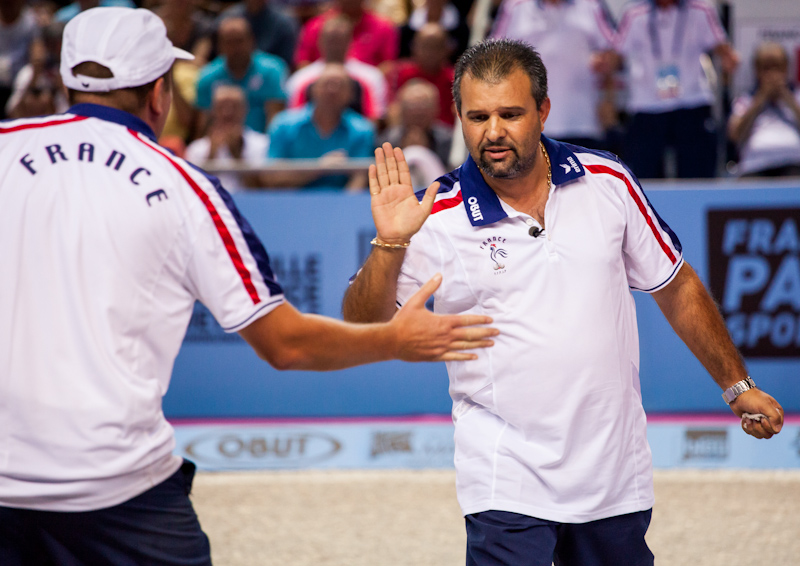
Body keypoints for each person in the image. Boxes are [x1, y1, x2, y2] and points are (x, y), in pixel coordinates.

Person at [0, 8, 496, 565]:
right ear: (160, 92)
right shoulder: (184, 188)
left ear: (68, 80)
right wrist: (393, 341)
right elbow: (285, 344)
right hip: (119, 487)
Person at [342, 39, 784, 565]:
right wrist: (389, 242)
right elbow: (362, 323)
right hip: (503, 477)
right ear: (458, 117)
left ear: (544, 110)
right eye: (477, 116)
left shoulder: (608, 181)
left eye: (510, 113)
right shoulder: (434, 213)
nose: (494, 132)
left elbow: (676, 284)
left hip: (613, 475)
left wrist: (737, 386)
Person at [613, 0, 739, 178]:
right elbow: (616, 54)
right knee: (643, 177)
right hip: (647, 104)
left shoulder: (701, 9)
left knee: (697, 174)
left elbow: (721, 46)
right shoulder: (634, 12)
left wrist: (729, 59)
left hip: (691, 101)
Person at [490, 0, 617, 149]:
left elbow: (614, 51)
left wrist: (607, 93)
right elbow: (493, 56)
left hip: (582, 119)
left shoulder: (590, 6)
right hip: (530, 123)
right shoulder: (515, 7)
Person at [265, 63, 375, 189]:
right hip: (290, 203)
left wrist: (345, 207)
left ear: (351, 94)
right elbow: (271, 178)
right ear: (313, 89)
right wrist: (318, 168)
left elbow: (359, 179)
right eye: (327, 84)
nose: (333, 90)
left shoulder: (362, 130)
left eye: (340, 85)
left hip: (342, 204)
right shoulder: (283, 124)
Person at [285, 15, 388, 121]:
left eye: (340, 40)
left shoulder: (371, 77)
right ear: (319, 41)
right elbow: (294, 119)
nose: (335, 46)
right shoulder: (300, 79)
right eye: (331, 40)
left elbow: (375, 119)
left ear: (350, 42)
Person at [195, 16, 287, 133]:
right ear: (219, 46)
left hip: (261, 145)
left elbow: (275, 122)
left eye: (239, 41)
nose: (235, 48)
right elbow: (204, 127)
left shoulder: (272, 70)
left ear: (252, 41)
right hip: (221, 144)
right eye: (229, 42)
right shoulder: (207, 77)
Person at [728, 42, 800, 177]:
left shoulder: (797, 96)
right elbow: (735, 135)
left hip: (794, 163)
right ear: (757, 70)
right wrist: (761, 98)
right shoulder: (745, 100)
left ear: (786, 69)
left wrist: (787, 98)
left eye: (777, 67)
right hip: (754, 165)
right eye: (766, 68)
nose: (772, 74)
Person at [184, 84, 268, 191]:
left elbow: (261, 190)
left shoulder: (262, 144)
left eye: (234, 106)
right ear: (213, 111)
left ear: (245, 109)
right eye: (221, 107)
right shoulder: (196, 149)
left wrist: (237, 155)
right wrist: (211, 155)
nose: (227, 112)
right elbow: (193, 191)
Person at [293, 0, 398, 71]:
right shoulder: (316, 26)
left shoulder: (383, 27)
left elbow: (387, 65)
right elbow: (303, 63)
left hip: (365, 88)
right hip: (322, 85)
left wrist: (367, 79)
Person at [391, 22, 456, 126]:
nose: (430, 52)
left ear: (446, 50)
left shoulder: (454, 79)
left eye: (436, 47)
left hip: (444, 137)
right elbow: (393, 109)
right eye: (425, 46)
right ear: (414, 47)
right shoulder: (402, 73)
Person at [217, 0, 300, 69]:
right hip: (229, 74)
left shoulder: (284, 24)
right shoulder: (227, 19)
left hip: (270, 78)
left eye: (239, 41)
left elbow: (286, 64)